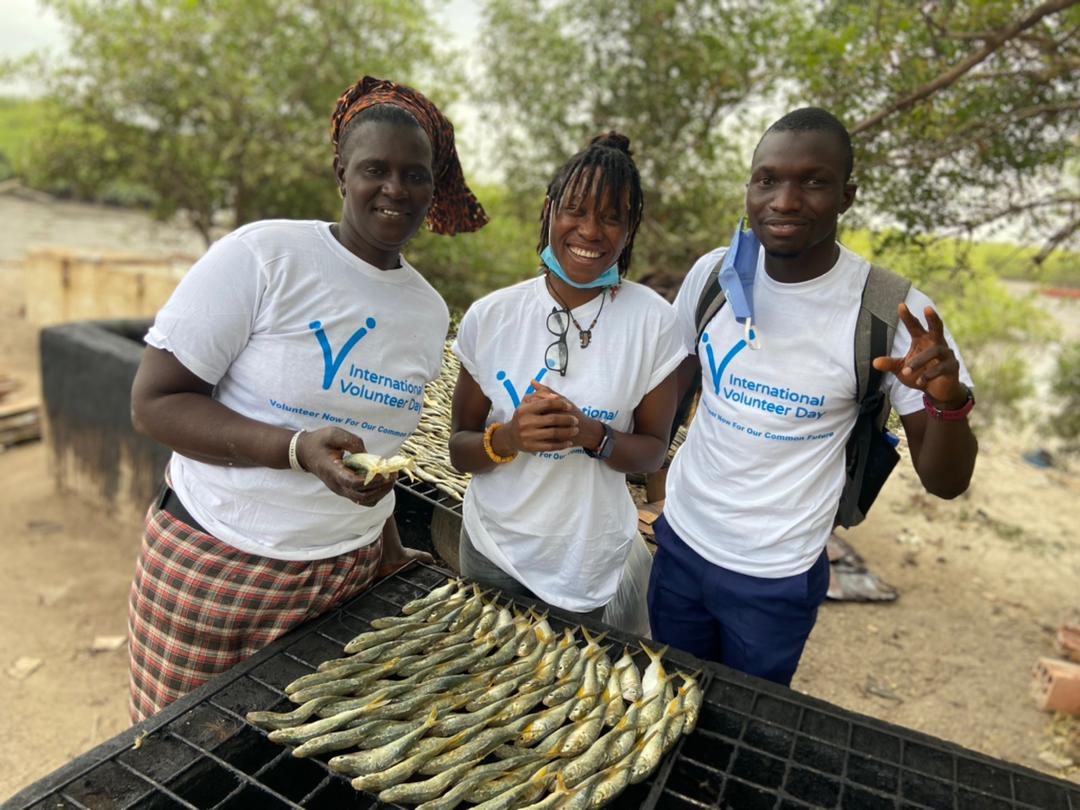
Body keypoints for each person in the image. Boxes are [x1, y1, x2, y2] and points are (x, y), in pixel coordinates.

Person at [126, 76, 487, 722]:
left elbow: (378, 447)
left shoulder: (428, 313)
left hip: (340, 584)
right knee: (178, 756)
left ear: (434, 188)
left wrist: (388, 554)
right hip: (216, 566)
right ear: (341, 172)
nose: (395, 190)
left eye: (416, 176)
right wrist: (294, 450)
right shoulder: (265, 256)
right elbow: (155, 401)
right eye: (375, 169)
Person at [648, 108, 978, 685]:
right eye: (768, 179)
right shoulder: (715, 274)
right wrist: (654, 495)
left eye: (814, 182)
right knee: (666, 702)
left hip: (776, 576)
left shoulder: (893, 313)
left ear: (847, 195)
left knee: (748, 727)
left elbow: (946, 482)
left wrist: (947, 402)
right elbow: (673, 398)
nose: (785, 200)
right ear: (750, 187)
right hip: (680, 546)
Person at [448, 133, 686, 628]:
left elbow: (652, 453)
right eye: (575, 210)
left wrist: (591, 435)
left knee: (557, 697)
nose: (591, 230)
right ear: (550, 210)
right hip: (491, 551)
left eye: (612, 217)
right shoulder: (491, 316)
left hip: (584, 567)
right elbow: (458, 449)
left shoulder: (655, 323)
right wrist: (508, 438)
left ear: (630, 228)